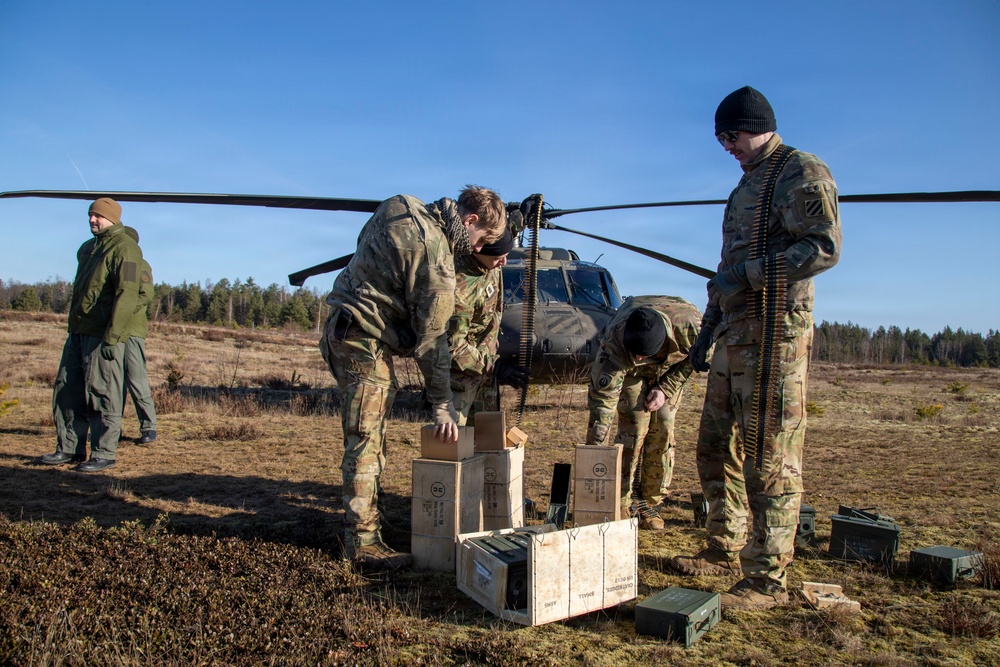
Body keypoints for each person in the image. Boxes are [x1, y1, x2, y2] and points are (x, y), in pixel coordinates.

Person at [671, 86, 842, 611]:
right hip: (734, 334)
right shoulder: (747, 185)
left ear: (759, 124)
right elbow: (726, 273)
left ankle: (767, 578)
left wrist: (744, 276)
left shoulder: (801, 171)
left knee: (769, 455)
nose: (727, 146)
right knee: (714, 444)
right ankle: (724, 544)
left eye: (733, 135)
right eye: (721, 138)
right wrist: (707, 332)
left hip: (773, 334)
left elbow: (822, 248)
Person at [320, 186, 507, 570]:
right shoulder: (437, 262)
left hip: (342, 327)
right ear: (469, 220)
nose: (476, 249)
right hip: (362, 341)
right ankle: (362, 542)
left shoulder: (402, 205)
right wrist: (441, 404)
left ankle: (371, 517)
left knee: (371, 437)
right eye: (481, 241)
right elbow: (433, 344)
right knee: (366, 441)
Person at [41, 198, 144, 472]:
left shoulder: (126, 249)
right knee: (66, 390)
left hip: (102, 335)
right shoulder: (87, 249)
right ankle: (68, 448)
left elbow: (128, 295)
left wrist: (114, 336)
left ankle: (104, 452)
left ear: (112, 218)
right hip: (77, 331)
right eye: (90, 215)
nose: (92, 220)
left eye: (98, 216)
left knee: (103, 392)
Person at [585, 296, 702, 530]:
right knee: (634, 428)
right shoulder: (615, 345)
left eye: (644, 354)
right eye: (636, 353)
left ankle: (650, 503)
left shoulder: (693, 329)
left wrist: (665, 388)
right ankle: (621, 500)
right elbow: (602, 403)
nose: (640, 358)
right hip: (630, 374)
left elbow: (697, 358)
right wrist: (595, 455)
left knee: (664, 426)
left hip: (671, 368)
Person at [447, 225, 522, 425]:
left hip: (485, 372)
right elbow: (453, 347)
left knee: (487, 441)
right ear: (479, 250)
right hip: (460, 377)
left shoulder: (491, 263)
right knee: (454, 444)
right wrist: (492, 366)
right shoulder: (460, 289)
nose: (503, 263)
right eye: (499, 258)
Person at [121, 227, 157, 444]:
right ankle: (109, 430)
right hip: (109, 331)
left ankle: (148, 427)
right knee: (111, 384)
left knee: (136, 379)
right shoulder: (113, 261)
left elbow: (140, 295)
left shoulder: (132, 263)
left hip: (130, 330)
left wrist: (119, 315)